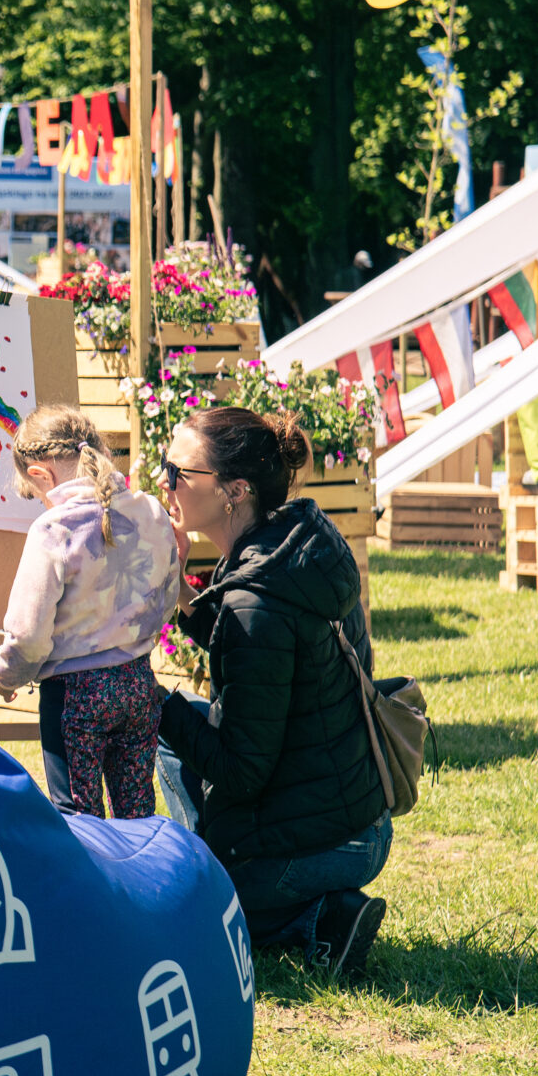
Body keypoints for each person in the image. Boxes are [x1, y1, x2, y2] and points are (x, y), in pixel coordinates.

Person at [156, 405, 392, 982]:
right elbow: (256, 654)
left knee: (196, 908)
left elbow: (240, 771)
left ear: (234, 491)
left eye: (177, 472)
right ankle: (243, 884)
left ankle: (318, 916)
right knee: (178, 736)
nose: (163, 482)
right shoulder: (296, 546)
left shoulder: (257, 600)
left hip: (332, 842)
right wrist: (182, 594)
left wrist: (145, 694)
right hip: (355, 816)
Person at [0, 406, 182, 818]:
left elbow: (28, 634)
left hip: (75, 696)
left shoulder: (54, 529)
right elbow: (167, 599)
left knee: (78, 818)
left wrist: (7, 675)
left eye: (34, 493)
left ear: (41, 475)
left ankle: (94, 885)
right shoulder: (149, 510)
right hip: (138, 684)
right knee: (138, 812)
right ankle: (143, 882)